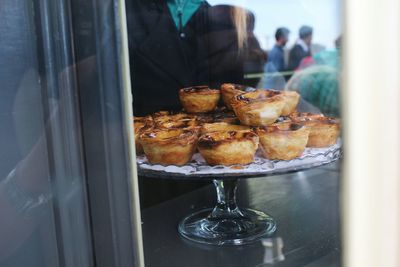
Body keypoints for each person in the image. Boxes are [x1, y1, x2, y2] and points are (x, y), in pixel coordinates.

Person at [126, 0, 266, 116]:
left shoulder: (226, 19)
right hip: (145, 136)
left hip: (216, 137)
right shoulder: (122, 9)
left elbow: (240, 91)